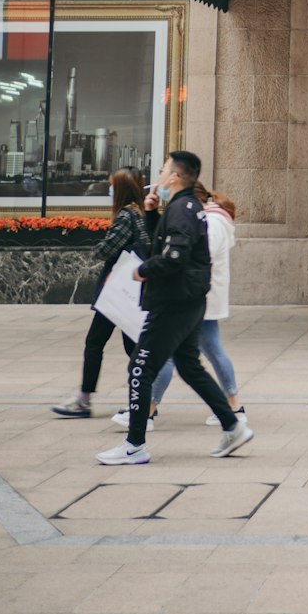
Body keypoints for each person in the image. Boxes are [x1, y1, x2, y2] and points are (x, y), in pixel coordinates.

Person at [95, 150, 254, 466]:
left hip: (173, 303)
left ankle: (135, 444)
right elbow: (168, 242)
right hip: (190, 301)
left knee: (139, 367)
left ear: (176, 176)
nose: (160, 175)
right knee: (189, 366)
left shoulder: (182, 209)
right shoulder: (189, 207)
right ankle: (233, 424)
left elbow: (175, 256)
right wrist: (153, 214)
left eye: (165, 169)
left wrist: (144, 271)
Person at [131, 188, 246, 428]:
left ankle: (148, 409)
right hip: (200, 295)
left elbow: (198, 255)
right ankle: (232, 410)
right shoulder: (211, 218)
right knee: (203, 353)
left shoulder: (211, 221)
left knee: (178, 356)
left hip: (196, 295)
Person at [52, 168, 148, 419]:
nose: (109, 190)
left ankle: (85, 400)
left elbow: (107, 250)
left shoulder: (126, 215)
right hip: (127, 290)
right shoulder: (139, 213)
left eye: (111, 186)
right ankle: (144, 400)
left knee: (96, 343)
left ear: (121, 190)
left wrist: (98, 246)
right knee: (132, 347)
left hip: (117, 290)